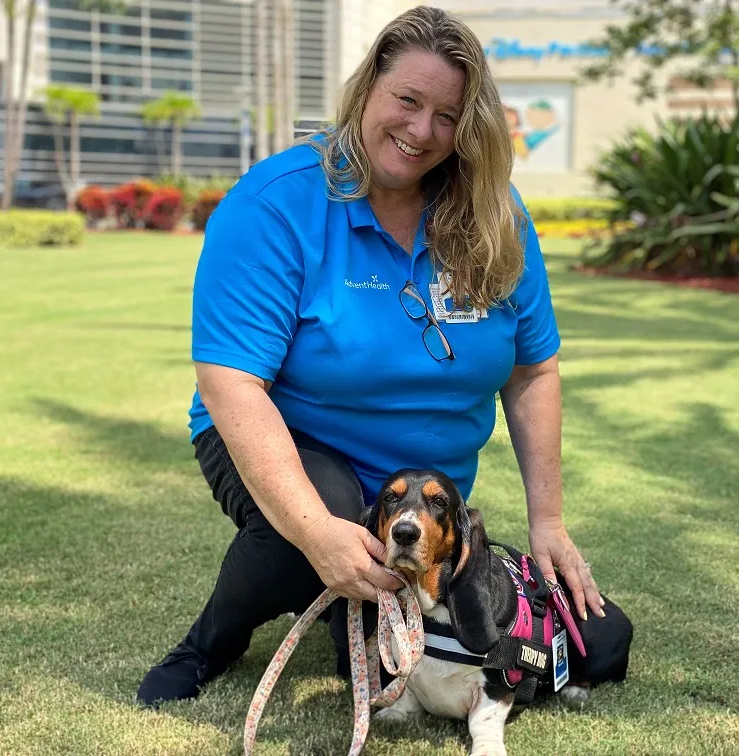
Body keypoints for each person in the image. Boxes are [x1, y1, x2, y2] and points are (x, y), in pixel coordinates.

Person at [136, 5, 614, 708]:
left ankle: (351, 612)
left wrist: (548, 524)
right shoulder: (275, 203)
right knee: (318, 521)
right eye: (407, 101)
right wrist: (316, 532)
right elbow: (232, 381)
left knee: (587, 648)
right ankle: (211, 642)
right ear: (367, 91)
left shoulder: (495, 213)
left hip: (417, 489)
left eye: (448, 116)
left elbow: (532, 368)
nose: (422, 131)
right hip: (281, 435)